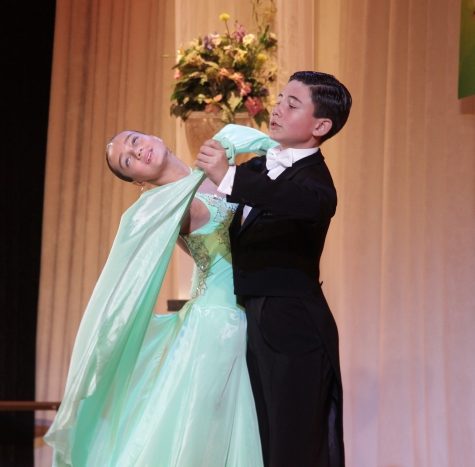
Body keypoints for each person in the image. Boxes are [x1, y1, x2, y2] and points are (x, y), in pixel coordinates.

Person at [45, 128, 276, 467]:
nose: (137, 152)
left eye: (135, 141)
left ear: (152, 136)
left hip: (245, 310)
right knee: (206, 436)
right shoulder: (166, 207)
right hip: (219, 323)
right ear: (137, 181)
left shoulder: (209, 169)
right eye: (127, 161)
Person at [196, 71, 352, 467]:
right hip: (256, 321)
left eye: (292, 104)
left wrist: (229, 175)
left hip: (295, 328)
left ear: (321, 126)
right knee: (262, 443)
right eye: (280, 99)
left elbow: (293, 200)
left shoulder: (316, 184)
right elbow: (211, 196)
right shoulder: (259, 168)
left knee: (293, 449)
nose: (278, 109)